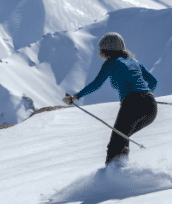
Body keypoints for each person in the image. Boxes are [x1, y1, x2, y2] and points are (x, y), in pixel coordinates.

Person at [64, 32, 158, 165]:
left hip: (132, 105)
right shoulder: (136, 62)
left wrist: (76, 97)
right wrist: (145, 95)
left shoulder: (110, 63)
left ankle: (112, 177)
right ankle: (122, 172)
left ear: (106, 51)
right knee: (122, 138)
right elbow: (153, 82)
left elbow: (96, 84)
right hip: (151, 107)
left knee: (116, 143)